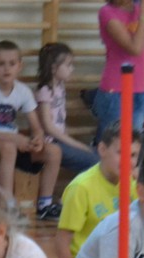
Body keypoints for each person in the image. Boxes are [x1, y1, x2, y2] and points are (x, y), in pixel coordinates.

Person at [0, 40, 62, 220]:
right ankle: (6, 205)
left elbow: (37, 127)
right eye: (1, 64)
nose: (6, 69)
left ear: (20, 66)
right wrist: (15, 139)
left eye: (12, 64)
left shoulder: (23, 92)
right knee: (8, 148)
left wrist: (37, 138)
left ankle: (44, 205)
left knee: (53, 152)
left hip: (14, 145)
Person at [54, 121, 133, 258]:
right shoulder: (81, 188)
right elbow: (62, 242)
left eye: (133, 155)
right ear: (102, 149)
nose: (127, 160)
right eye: (120, 152)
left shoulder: (135, 185)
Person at [93, 0, 144, 139]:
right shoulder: (107, 12)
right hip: (115, 91)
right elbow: (135, 49)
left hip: (139, 90)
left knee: (133, 144)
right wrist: (143, 14)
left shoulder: (139, 11)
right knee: (114, 144)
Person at [35, 42, 99, 172]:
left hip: (61, 140)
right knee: (95, 161)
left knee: (100, 156)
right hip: (51, 142)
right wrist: (76, 144)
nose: (72, 69)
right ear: (53, 68)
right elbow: (48, 127)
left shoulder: (60, 87)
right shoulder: (45, 91)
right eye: (68, 65)